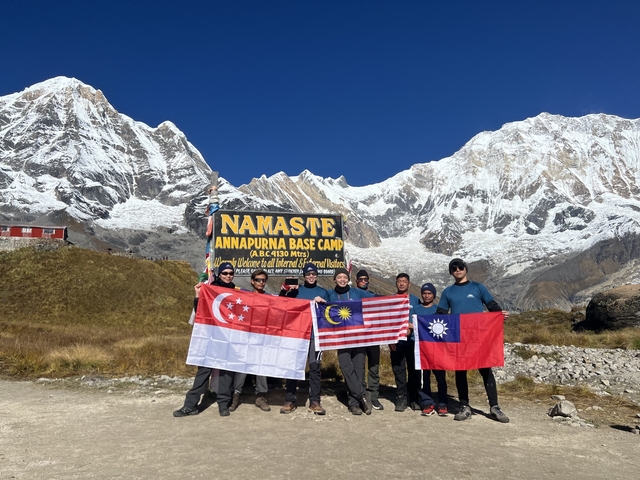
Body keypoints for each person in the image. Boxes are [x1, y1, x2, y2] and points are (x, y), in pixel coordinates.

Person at [436, 258, 510, 423]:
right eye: (454, 268)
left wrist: (500, 315)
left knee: (486, 370)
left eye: (460, 267)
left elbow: (492, 306)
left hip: (479, 337)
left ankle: (494, 407)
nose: (457, 269)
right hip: (459, 337)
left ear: (466, 269)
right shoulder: (448, 292)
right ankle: (464, 406)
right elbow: (441, 313)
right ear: (451, 272)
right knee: (460, 370)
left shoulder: (478, 287)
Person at [173, 262, 239, 417]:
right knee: (203, 372)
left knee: (226, 373)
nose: (228, 276)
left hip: (228, 339)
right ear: (219, 274)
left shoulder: (237, 292)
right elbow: (200, 311)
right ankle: (190, 405)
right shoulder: (210, 289)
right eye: (225, 273)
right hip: (211, 337)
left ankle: (223, 404)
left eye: (230, 273)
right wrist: (197, 295)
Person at [278, 262, 329, 415]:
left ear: (317, 276)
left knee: (315, 368)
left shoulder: (323, 292)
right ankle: (290, 399)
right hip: (297, 335)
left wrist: (324, 303)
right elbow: (282, 304)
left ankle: (314, 401)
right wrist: (284, 291)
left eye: (313, 274)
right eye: (308, 274)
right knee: (293, 367)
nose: (311, 277)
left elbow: (330, 311)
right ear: (304, 276)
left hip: (315, 336)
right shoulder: (297, 290)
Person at [322, 268, 375, 416]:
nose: (342, 279)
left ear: (348, 279)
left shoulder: (357, 292)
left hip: (359, 337)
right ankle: (362, 395)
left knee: (358, 370)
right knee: (346, 367)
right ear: (334, 279)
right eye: (339, 277)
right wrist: (318, 300)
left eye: (345, 277)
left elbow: (375, 298)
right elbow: (322, 304)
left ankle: (354, 403)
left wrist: (396, 300)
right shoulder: (330, 293)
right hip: (341, 339)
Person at [227, 269, 272, 413]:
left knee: (261, 367)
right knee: (242, 367)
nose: (261, 282)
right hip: (245, 337)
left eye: (263, 280)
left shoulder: (269, 297)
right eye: (258, 280)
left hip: (261, 337)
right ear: (252, 281)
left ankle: (261, 396)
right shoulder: (245, 296)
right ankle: (235, 396)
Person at [414, 283, 449, 417]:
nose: (427, 295)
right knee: (425, 377)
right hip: (422, 349)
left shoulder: (439, 309)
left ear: (434, 295)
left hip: (438, 349)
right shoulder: (416, 309)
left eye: (429, 293)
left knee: (440, 376)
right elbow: (410, 324)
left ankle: (443, 402)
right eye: (424, 293)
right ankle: (427, 402)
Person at [389, 273, 421, 412]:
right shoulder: (390, 300)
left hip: (413, 342)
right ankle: (401, 397)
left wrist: (411, 327)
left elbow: (420, 319)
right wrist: (389, 339)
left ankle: (414, 397)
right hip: (396, 342)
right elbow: (387, 321)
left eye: (404, 281)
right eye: (399, 281)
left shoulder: (415, 300)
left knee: (414, 371)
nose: (401, 284)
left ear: (409, 284)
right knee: (399, 370)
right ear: (396, 283)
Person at [355, 269, 383, 410]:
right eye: (361, 279)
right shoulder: (353, 294)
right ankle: (360, 394)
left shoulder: (373, 295)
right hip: (358, 336)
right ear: (356, 281)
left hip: (373, 336)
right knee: (359, 367)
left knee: (374, 366)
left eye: (366, 279)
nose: (364, 282)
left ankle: (374, 396)